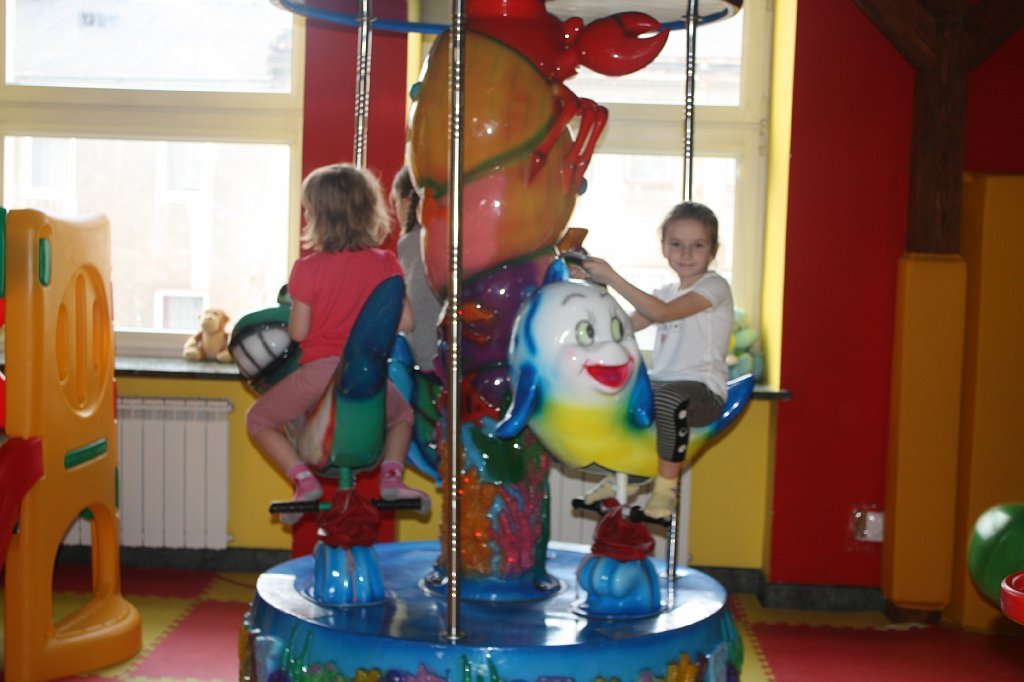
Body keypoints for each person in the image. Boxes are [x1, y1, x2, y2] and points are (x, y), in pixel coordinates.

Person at [246, 163, 428, 525]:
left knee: (259, 419)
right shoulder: (386, 263)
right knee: (403, 417)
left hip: (319, 374)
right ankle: (392, 479)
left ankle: (304, 482)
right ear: (368, 211)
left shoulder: (307, 268)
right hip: (370, 378)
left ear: (318, 216)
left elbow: (299, 333)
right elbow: (406, 322)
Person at [581, 202, 733, 519]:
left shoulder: (714, 286)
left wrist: (613, 277)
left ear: (713, 250)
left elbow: (662, 314)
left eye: (697, 245)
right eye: (676, 244)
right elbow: (625, 325)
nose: (686, 253)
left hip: (703, 390)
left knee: (667, 399)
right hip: (663, 382)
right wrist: (593, 284)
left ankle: (665, 491)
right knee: (618, 399)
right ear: (664, 247)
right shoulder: (665, 291)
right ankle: (628, 473)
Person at [391, 166, 443, 373]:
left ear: (406, 201)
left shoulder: (410, 243)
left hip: (423, 354)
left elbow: (409, 304)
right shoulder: (441, 237)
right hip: (443, 348)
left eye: (394, 202)